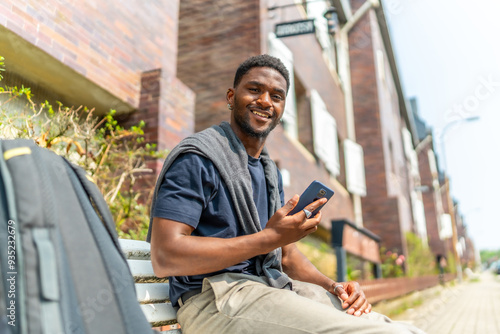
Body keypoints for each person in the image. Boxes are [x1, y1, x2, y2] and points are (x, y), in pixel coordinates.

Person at [147, 54, 425, 333]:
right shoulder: (199, 159)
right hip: (213, 300)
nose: (266, 101)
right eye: (254, 90)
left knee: (401, 328)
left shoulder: (269, 172)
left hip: (268, 288)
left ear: (281, 110)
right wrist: (270, 237)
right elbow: (165, 256)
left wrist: (334, 286)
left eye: (276, 96)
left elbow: (287, 256)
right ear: (231, 97)